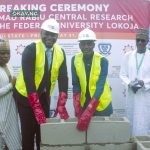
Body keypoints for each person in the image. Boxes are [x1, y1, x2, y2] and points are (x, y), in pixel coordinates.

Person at [13, 18, 69, 150]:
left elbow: (63, 77)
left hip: (43, 97)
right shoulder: (31, 49)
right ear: (41, 32)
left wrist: (62, 101)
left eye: (53, 34)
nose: (50, 37)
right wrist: (36, 107)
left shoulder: (60, 52)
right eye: (47, 33)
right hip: (25, 96)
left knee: (42, 131)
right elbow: (28, 79)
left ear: (57, 36)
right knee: (28, 132)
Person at [71, 28, 113, 131]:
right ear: (79, 45)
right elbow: (76, 84)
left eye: (89, 43)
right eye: (83, 44)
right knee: (86, 134)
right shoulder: (75, 59)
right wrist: (77, 104)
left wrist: (91, 107)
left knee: (101, 133)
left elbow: (100, 85)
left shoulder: (103, 60)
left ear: (94, 45)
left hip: (101, 103)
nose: (86, 47)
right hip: (85, 102)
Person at [119, 28, 150, 136]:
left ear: (147, 41)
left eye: (143, 40)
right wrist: (129, 83)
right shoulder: (128, 56)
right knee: (131, 120)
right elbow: (122, 74)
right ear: (135, 41)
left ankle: (143, 144)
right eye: (138, 40)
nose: (140, 42)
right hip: (131, 95)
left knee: (143, 122)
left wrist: (144, 82)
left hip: (145, 97)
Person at [0, 39, 22, 150]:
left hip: (11, 108)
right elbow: (10, 86)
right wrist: (10, 85)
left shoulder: (10, 66)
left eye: (8, 53)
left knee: (14, 137)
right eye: (2, 53)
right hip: (1, 110)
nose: (5, 56)